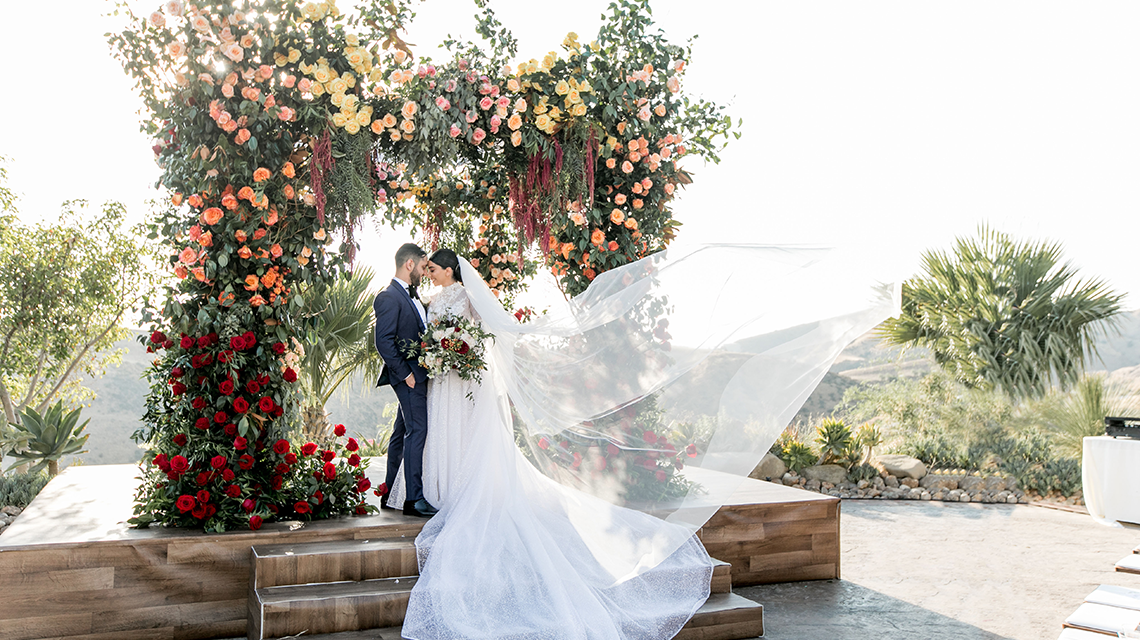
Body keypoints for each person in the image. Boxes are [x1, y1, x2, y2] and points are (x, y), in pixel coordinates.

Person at [372, 243, 437, 518]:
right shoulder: (389, 296)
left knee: (401, 433)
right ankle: (414, 499)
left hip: (416, 374)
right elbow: (383, 342)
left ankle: (390, 493)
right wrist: (407, 374)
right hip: (408, 377)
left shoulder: (412, 296)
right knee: (417, 431)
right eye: (423, 267)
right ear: (410, 264)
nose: (424, 273)